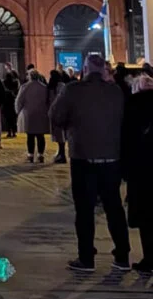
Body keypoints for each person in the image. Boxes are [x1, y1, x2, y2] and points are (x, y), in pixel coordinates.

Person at [50, 53, 131, 272]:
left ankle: (86, 258)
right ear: (104, 69)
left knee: (84, 210)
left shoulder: (73, 90)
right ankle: (122, 256)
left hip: (83, 157)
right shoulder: (116, 92)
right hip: (112, 158)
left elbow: (55, 116)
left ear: (84, 69)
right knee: (114, 207)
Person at [122, 73, 153, 273]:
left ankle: (149, 259)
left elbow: (125, 140)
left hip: (141, 171)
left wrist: (125, 171)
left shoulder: (132, 106)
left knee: (145, 219)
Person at [15, 70, 50, 163]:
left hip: (29, 114)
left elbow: (19, 100)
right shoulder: (44, 87)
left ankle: (30, 155)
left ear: (29, 76)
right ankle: (40, 155)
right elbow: (48, 101)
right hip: (41, 113)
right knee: (40, 135)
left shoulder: (25, 87)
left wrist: (18, 111)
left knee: (30, 136)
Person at [2, 68, 20, 138]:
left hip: (6, 103)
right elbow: (17, 91)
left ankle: (9, 132)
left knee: (7, 119)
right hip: (13, 102)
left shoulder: (4, 83)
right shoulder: (15, 83)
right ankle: (14, 132)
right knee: (13, 118)